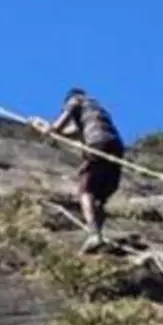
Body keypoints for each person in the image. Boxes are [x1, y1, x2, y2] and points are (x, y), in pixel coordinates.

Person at [29, 89, 124, 252]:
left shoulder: (76, 100)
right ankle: (98, 238)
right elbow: (69, 133)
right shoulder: (96, 110)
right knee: (99, 197)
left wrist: (45, 127)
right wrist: (46, 127)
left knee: (85, 190)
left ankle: (94, 235)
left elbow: (57, 127)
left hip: (97, 143)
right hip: (115, 146)